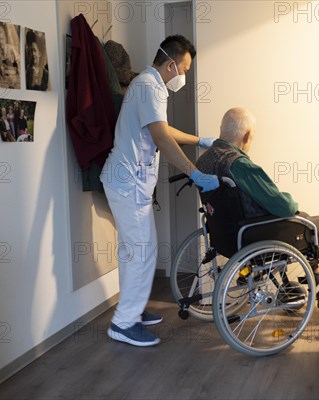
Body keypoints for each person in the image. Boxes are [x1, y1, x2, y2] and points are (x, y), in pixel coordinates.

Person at [99, 35, 219, 347]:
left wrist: (197, 140)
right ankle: (124, 323)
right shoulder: (149, 88)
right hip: (127, 183)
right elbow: (162, 140)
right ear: (170, 64)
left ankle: (131, 312)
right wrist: (195, 172)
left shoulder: (147, 85)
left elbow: (162, 130)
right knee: (142, 252)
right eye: (184, 69)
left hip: (125, 182)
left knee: (133, 252)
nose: (184, 76)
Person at [195, 107, 319, 307]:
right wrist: (290, 200)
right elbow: (285, 207)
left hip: (226, 235)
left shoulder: (204, 160)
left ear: (222, 129)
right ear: (247, 136)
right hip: (256, 234)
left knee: (305, 220)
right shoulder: (238, 164)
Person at [0, 23, 20, 89]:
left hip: (12, 72)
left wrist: (14, 58)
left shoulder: (10, 47)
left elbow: (17, 57)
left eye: (2, 39)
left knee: (13, 85)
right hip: (6, 74)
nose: (1, 42)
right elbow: (1, 63)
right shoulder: (0, 50)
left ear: (5, 38)